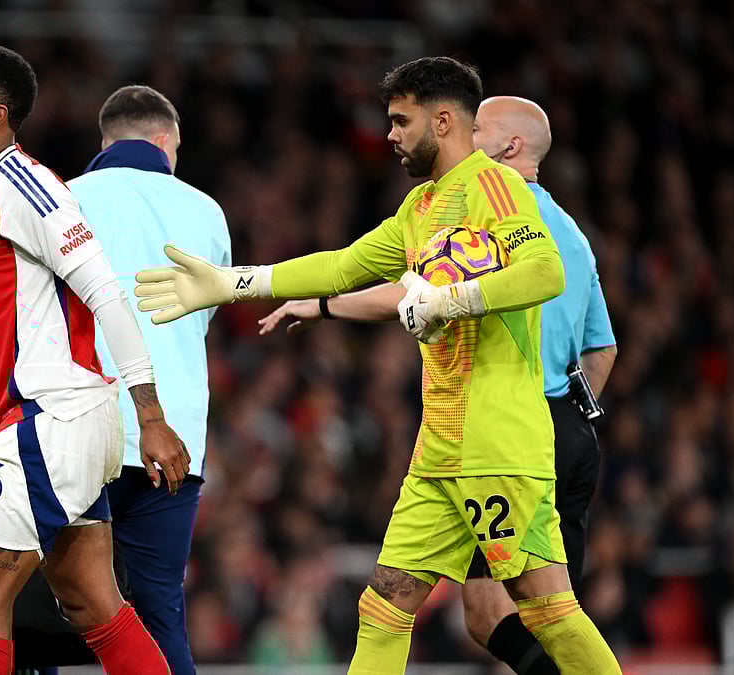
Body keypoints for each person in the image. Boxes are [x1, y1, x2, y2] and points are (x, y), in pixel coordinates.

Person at [132, 56, 621, 674]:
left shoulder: (497, 187)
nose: (388, 134)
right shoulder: (422, 205)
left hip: (499, 440)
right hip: (441, 447)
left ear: (443, 121)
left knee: (544, 605)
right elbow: (343, 266)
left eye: (400, 120)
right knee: (385, 603)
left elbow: (544, 271)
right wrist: (234, 283)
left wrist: (450, 298)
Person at [256, 95, 618, 674]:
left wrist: (325, 306)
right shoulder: (575, 234)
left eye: (478, 129)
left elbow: (413, 294)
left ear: (510, 146)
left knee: (537, 608)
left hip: (504, 430)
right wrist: (570, 425)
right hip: (566, 427)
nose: (465, 140)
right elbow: (603, 347)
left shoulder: (487, 210)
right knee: (491, 609)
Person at [0, 45, 188, 675]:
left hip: (46, 419)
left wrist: (153, 415)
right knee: (93, 601)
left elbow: (104, 294)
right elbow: (31, 308)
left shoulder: (24, 186)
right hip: (63, 422)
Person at [66, 85, 231, 675]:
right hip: (174, 437)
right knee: (160, 610)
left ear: (106, 139)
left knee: (43, 603)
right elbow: (201, 318)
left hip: (78, 431)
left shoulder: (66, 200)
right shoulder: (206, 211)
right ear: (166, 142)